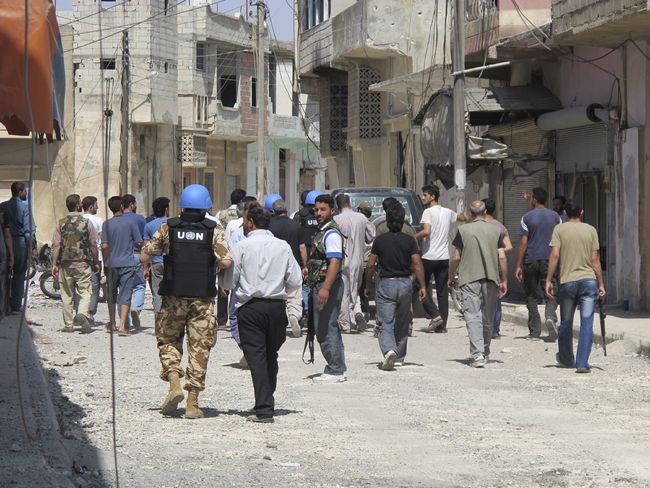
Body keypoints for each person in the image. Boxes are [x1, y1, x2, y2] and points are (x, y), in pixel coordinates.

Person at [141, 184, 232, 419]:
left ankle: (173, 382)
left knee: (168, 339)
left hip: (172, 296)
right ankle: (192, 403)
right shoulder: (214, 229)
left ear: (181, 205)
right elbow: (226, 262)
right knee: (199, 347)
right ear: (206, 207)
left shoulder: (168, 227)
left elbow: (146, 253)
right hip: (202, 298)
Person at [227, 203, 301, 422]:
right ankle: (267, 399)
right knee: (271, 355)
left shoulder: (241, 247)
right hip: (276, 307)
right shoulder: (283, 246)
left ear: (250, 222)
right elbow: (295, 280)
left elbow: (231, 280)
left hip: (250, 307)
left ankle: (264, 409)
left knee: (257, 358)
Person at [544, 202, 606, 373]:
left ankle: (566, 358)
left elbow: (555, 255)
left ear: (564, 213)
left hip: (568, 282)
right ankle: (582, 363)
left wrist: (548, 279)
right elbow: (595, 259)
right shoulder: (591, 230)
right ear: (582, 211)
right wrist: (601, 283)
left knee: (566, 322)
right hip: (589, 282)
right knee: (587, 322)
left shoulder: (559, 229)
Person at [365, 204, 426, 370]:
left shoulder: (380, 240)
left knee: (386, 321)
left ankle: (389, 349)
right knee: (402, 321)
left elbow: (371, 264)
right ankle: (399, 356)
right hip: (405, 283)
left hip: (386, 283)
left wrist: (367, 284)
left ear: (388, 221)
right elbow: (417, 264)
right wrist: (423, 286)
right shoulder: (410, 241)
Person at [449, 201, 508, 368]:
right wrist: (504, 279)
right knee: (487, 317)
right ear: (485, 211)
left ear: (470, 212)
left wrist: (451, 275)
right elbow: (502, 256)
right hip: (491, 278)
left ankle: (477, 355)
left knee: (473, 316)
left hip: (469, 278)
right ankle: (485, 351)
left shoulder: (463, 230)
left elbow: (456, 257)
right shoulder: (496, 230)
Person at [307, 194, 347, 382]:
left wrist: (325, 288)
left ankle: (335, 369)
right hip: (320, 283)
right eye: (316, 209)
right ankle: (337, 366)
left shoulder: (331, 233)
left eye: (323, 209)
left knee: (325, 326)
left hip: (326, 285)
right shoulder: (323, 231)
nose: (319, 213)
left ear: (332, 210)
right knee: (327, 325)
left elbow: (335, 261)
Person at [415, 184, 465, 333]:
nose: (423, 197)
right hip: (444, 257)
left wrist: (413, 237)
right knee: (442, 291)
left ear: (432, 197)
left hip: (428, 256)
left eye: (425, 195)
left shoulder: (428, 212)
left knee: (420, 286)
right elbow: (461, 217)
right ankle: (442, 326)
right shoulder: (448, 212)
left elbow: (426, 231)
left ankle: (434, 315)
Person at [515, 187, 561, 340]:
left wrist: (518, 265)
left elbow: (523, 242)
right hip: (550, 259)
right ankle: (550, 317)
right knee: (551, 290)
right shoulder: (555, 217)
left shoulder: (527, 217)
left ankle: (534, 331)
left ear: (534, 199)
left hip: (531, 259)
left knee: (531, 295)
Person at [51, 194, 100, 333]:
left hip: (65, 264)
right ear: (78, 205)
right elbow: (93, 245)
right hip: (83, 263)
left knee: (66, 294)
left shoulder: (60, 223)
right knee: (85, 291)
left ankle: (68, 325)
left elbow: (56, 245)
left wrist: (54, 264)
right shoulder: (86, 223)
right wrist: (96, 262)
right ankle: (83, 314)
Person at [334, 193, 376, 333]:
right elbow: (371, 237)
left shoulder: (336, 219)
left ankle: (345, 324)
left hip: (342, 260)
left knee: (344, 291)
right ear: (350, 203)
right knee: (354, 289)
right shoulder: (362, 218)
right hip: (358, 260)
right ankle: (357, 312)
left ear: (338, 205)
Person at [102, 196, 143, 335]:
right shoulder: (131, 223)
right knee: (126, 294)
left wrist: (105, 262)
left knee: (112, 295)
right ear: (121, 207)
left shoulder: (106, 224)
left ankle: (112, 324)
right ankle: (122, 327)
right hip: (127, 263)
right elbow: (138, 242)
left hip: (111, 264)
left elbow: (105, 246)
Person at [269, 199, 304, 338]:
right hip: (293, 263)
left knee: (276, 294)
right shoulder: (296, 225)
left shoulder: (269, 226)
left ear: (273, 211)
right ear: (286, 210)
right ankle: (294, 314)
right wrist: (305, 265)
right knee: (294, 291)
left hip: (274, 265)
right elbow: (302, 247)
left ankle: (277, 321)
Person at [0, 182, 36, 313]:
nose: (26, 193)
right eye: (25, 191)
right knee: (19, 274)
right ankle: (15, 304)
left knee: (4, 273)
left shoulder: (2, 206)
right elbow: (29, 231)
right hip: (19, 243)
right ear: (20, 191)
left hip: (4, 242)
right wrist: (32, 248)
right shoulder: (25, 208)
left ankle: (4, 303)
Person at [214, 188, 246, 329]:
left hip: (227, 252)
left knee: (223, 286)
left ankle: (222, 319)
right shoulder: (246, 216)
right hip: (240, 254)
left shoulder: (221, 214)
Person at [483, 198, 513, 339]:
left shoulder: (478, 225)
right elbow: (509, 246)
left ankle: (484, 329)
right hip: (496, 267)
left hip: (481, 265)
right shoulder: (500, 227)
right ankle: (495, 330)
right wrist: (497, 250)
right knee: (496, 300)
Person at [295, 190, 322, 326]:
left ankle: (306, 311)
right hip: (319, 256)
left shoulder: (300, 216)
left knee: (305, 286)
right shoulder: (322, 216)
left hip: (304, 255)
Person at [122, 194, 147, 329]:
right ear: (131, 204)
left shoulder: (116, 219)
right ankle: (136, 308)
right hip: (137, 255)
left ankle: (123, 320)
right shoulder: (140, 219)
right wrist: (146, 264)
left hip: (121, 257)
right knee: (140, 286)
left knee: (124, 287)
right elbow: (144, 240)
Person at [143, 197, 170, 319]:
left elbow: (146, 249)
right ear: (166, 209)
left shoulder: (148, 226)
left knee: (157, 294)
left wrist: (145, 267)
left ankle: (159, 321)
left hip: (156, 263)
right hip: (171, 263)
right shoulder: (173, 223)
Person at [82, 196, 103, 322]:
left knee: (82, 285)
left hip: (81, 258)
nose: (98, 207)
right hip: (96, 257)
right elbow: (99, 240)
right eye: (96, 205)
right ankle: (90, 313)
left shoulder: (78, 220)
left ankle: (81, 311)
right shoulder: (98, 220)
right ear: (91, 207)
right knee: (95, 286)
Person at [0, 208, 14, 316]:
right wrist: (11, 255)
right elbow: (7, 235)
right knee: (2, 282)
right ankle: (1, 311)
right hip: (1, 252)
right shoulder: (2, 213)